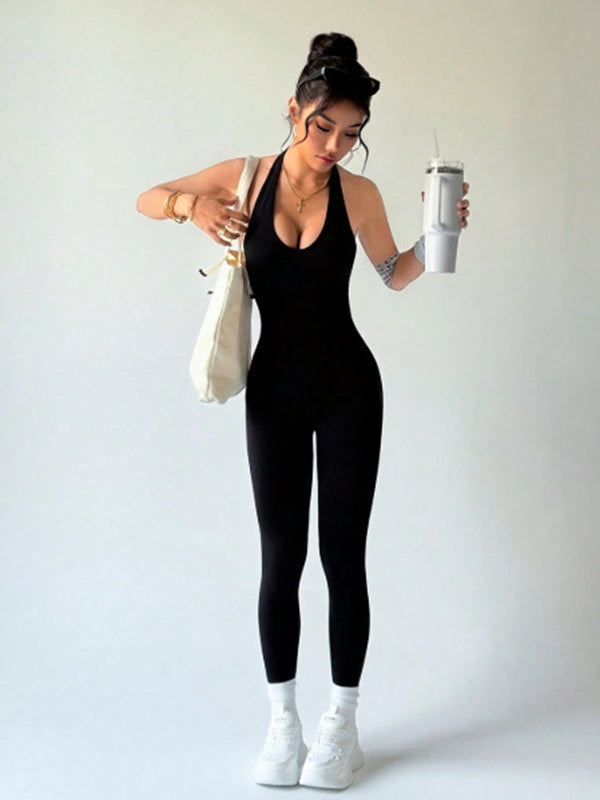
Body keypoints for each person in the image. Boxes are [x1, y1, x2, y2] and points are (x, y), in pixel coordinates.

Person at [136, 32, 470, 791]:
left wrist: (440, 233)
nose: (333, 146)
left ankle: (340, 728)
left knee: (342, 558)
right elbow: (146, 198)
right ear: (294, 110)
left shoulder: (359, 194)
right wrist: (191, 207)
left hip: (350, 390)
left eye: (351, 134)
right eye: (323, 127)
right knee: (279, 559)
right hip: (274, 393)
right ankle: (282, 725)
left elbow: (394, 274)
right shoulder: (245, 178)